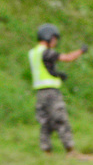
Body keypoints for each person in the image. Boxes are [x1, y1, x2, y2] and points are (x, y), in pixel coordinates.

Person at [29, 23, 87, 154]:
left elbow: (45, 67)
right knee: (61, 119)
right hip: (51, 93)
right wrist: (81, 51)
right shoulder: (46, 51)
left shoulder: (33, 52)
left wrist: (56, 74)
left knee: (45, 123)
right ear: (48, 37)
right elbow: (67, 58)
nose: (55, 42)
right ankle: (70, 150)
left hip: (40, 92)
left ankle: (46, 151)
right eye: (54, 39)